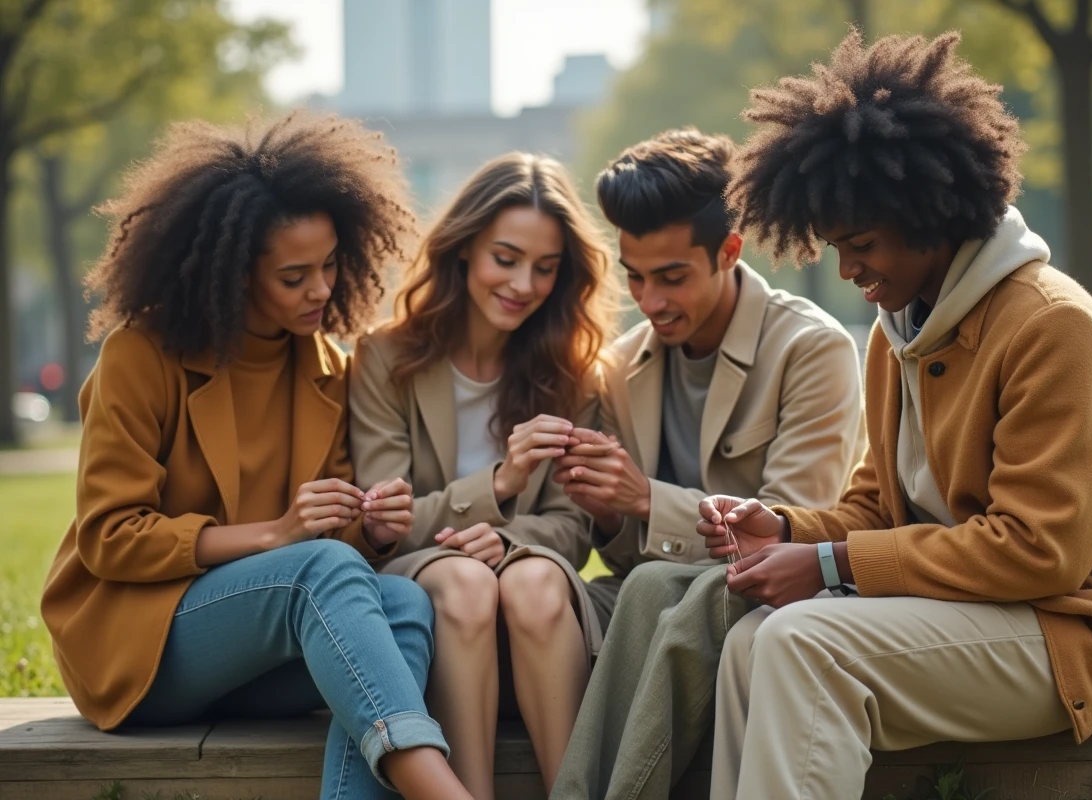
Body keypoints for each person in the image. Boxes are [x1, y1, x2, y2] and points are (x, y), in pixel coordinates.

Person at [703, 30, 1092, 800]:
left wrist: (830, 566)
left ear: (931, 214)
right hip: (975, 619)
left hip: (1079, 633)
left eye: (860, 244)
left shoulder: (1051, 325)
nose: (849, 269)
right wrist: (787, 528)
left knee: (801, 643)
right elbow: (874, 506)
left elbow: (1039, 552)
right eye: (834, 247)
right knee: (754, 643)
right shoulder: (901, 331)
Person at [40, 113, 472, 800]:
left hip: (262, 647)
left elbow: (334, 542)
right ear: (230, 272)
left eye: (331, 265)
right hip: (143, 648)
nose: (323, 290)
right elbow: (108, 537)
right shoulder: (141, 356)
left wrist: (374, 528)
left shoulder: (330, 367)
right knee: (316, 570)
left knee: (404, 605)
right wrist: (277, 536)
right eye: (294, 276)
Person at [549, 128, 866, 799]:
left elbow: (791, 528)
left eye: (671, 277)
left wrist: (644, 500)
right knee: (602, 591)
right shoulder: (621, 364)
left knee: (656, 589)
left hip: (783, 597)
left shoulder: (812, 351)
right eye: (635, 277)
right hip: (660, 603)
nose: (652, 301)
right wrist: (605, 511)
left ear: (728, 252)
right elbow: (630, 556)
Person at [348, 152, 619, 798]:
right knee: (467, 583)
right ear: (465, 247)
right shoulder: (386, 357)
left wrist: (509, 541)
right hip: (426, 579)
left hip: (531, 592)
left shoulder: (571, 370)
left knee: (533, 584)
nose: (524, 284)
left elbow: (571, 527)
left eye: (546, 268)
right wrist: (498, 486)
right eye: (506, 258)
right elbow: (390, 519)